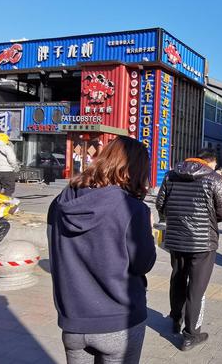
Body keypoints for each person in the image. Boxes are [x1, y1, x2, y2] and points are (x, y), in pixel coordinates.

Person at [47, 137, 156, 364]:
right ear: (136, 170)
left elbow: (55, 252)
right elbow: (143, 263)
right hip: (119, 321)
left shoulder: (60, 203)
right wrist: (149, 232)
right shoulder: (133, 210)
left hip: (73, 320)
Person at [155, 148, 222, 351]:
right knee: (196, 288)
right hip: (202, 242)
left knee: (178, 278)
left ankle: (175, 320)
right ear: (210, 162)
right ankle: (190, 335)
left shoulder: (171, 174)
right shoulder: (214, 178)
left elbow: (160, 204)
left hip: (176, 238)